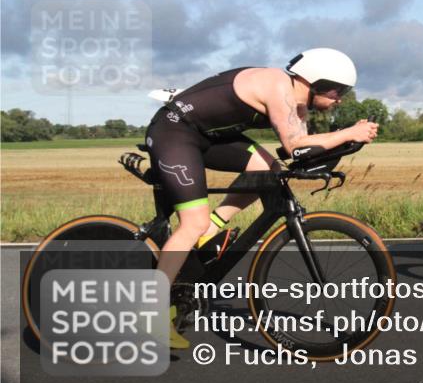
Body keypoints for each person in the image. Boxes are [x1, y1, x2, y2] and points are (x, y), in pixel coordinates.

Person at [144, 48, 378, 348]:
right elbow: (295, 145)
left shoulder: (298, 105)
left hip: (207, 136)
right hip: (175, 132)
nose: (339, 98)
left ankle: (214, 227)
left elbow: (300, 151)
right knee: (192, 224)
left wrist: (344, 145)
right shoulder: (278, 86)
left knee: (269, 170)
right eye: (337, 90)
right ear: (316, 80)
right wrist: (348, 133)